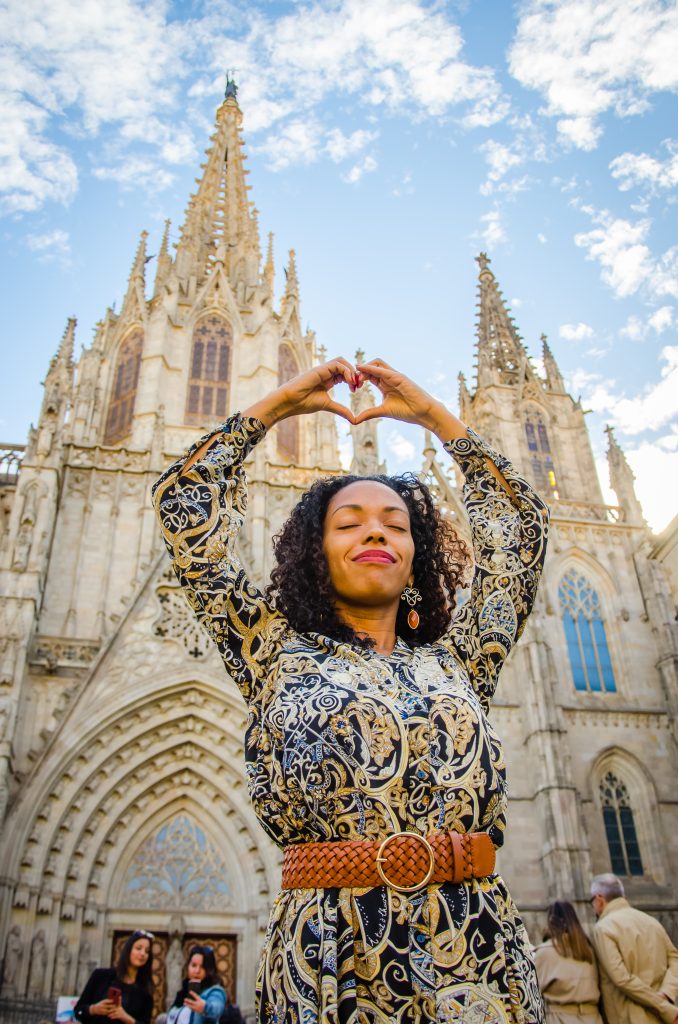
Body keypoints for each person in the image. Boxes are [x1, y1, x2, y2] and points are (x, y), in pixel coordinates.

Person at [152, 357, 550, 1022]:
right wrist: (277, 407)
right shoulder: (271, 651)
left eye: (396, 524)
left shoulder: (461, 661)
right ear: (315, 551)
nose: (375, 531)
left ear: (416, 554)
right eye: (350, 522)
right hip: (331, 959)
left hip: (477, 953)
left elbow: (521, 534)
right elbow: (184, 505)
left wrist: (435, 419)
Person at [590, 873, 678, 1024]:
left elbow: (621, 979)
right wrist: (666, 992)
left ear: (599, 898)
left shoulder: (603, 928)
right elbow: (675, 960)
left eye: (591, 901)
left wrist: (662, 1006)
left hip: (630, 1017)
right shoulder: (651, 922)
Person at [534, 900, 604, 1022]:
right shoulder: (590, 950)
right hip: (592, 1018)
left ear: (551, 921)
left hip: (560, 1018)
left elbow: (532, 994)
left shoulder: (545, 952)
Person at [73, 930, 154, 1023]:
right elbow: (78, 1011)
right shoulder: (101, 976)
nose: (143, 954)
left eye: (147, 951)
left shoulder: (145, 990)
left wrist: (126, 1018)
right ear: (128, 950)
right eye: (138, 948)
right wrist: (94, 1009)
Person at [166, 945, 226, 1024]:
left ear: (210, 970)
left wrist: (205, 1008)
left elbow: (217, 1009)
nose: (197, 971)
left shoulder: (214, 991)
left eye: (203, 967)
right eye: (193, 965)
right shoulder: (182, 994)